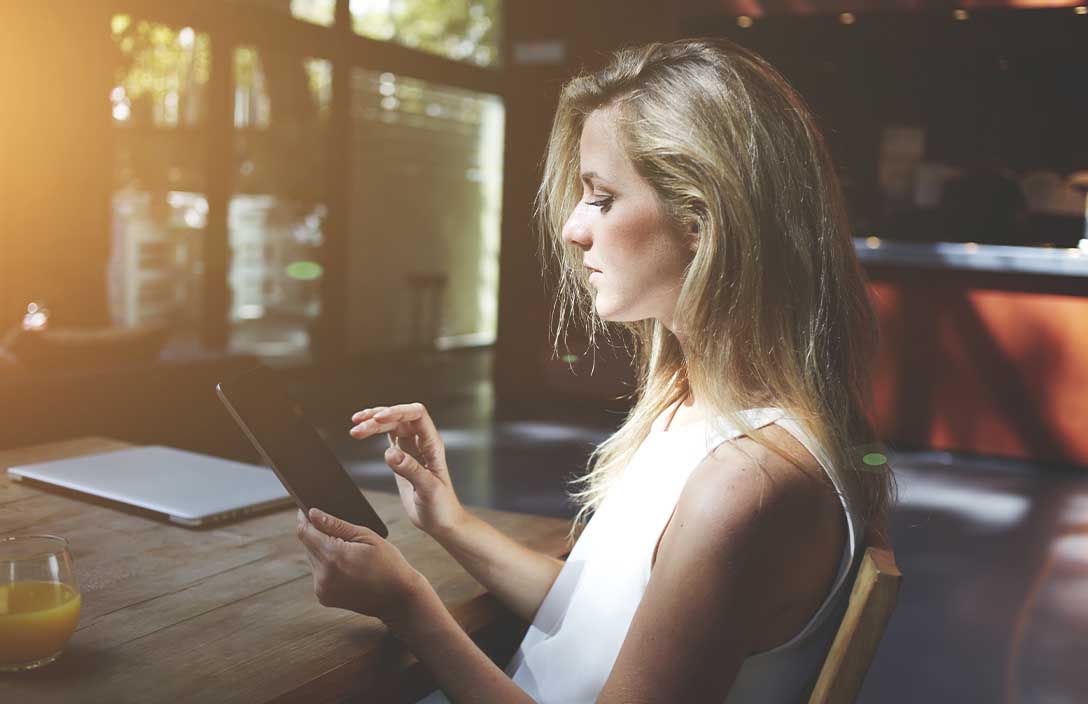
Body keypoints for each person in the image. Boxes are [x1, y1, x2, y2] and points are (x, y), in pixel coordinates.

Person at [295, 38, 896, 703]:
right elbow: (601, 618)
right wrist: (448, 521)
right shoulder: (692, 405)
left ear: (703, 218)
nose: (572, 229)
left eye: (602, 198)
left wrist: (406, 606)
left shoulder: (745, 488)